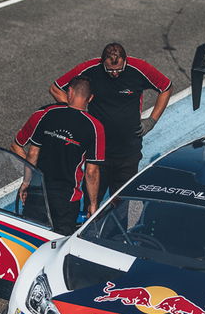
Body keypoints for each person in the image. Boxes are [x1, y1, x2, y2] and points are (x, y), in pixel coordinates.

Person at [50, 42, 172, 200]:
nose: (115, 73)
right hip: (98, 151)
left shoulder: (139, 68)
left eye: (119, 69)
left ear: (125, 61)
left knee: (123, 203)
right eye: (110, 70)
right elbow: (56, 88)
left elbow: (166, 87)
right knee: (92, 202)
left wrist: (152, 120)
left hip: (129, 151)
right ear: (102, 63)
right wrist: (77, 114)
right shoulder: (90, 69)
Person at [12, 76, 105, 235]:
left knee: (30, 238)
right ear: (90, 98)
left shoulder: (49, 114)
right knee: (60, 245)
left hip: (38, 191)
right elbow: (91, 172)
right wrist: (93, 203)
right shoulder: (95, 127)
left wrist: (27, 183)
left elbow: (33, 153)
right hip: (66, 199)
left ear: (69, 92)